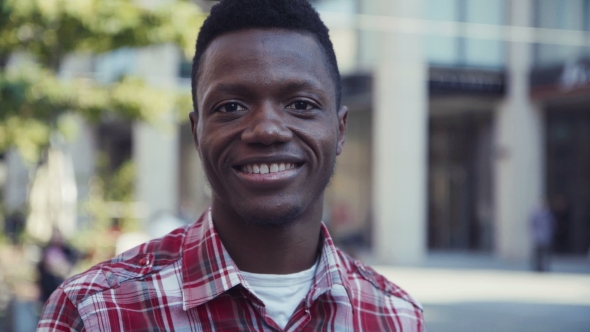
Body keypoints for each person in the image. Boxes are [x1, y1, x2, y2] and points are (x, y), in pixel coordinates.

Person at [38, 0, 424, 330]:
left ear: (339, 130)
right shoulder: (93, 313)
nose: (267, 130)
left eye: (301, 105)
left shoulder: (396, 316)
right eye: (231, 107)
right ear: (196, 131)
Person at [529, 201, 556, 272]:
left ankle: (545, 266)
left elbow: (552, 225)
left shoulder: (548, 215)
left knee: (545, 254)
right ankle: (538, 267)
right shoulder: (538, 214)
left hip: (545, 238)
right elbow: (532, 224)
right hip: (539, 237)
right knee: (538, 254)